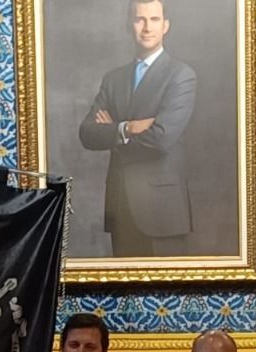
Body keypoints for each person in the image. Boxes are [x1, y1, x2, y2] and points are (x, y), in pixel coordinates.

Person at [77, 0, 197, 258]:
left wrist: (112, 132)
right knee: (124, 297)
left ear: (166, 26)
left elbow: (162, 139)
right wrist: (127, 128)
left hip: (162, 213)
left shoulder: (181, 75)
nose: (146, 27)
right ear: (128, 25)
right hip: (121, 208)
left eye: (154, 19)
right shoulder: (113, 79)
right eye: (139, 19)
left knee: (165, 298)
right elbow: (87, 133)